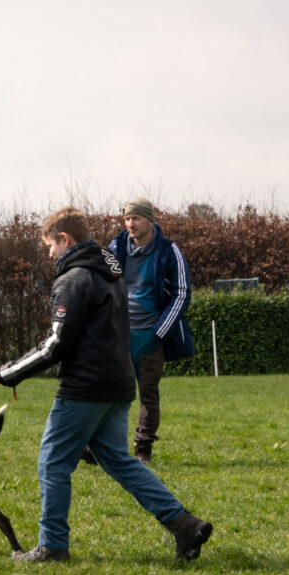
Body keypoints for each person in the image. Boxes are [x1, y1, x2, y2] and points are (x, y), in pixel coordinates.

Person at [0, 207, 211, 563]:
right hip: (120, 383)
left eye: (50, 246)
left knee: (53, 463)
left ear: (65, 239)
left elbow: (56, 344)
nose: (49, 254)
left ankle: (52, 547)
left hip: (85, 387)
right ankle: (184, 524)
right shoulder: (111, 272)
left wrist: (11, 372)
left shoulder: (74, 279)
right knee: (118, 461)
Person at [107, 197, 194, 465]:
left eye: (136, 218)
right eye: (127, 219)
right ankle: (100, 446)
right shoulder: (116, 247)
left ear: (150, 220)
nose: (130, 224)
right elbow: (102, 284)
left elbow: (182, 293)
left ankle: (143, 448)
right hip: (118, 334)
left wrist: (160, 332)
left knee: (147, 394)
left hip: (150, 334)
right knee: (109, 391)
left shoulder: (169, 251)